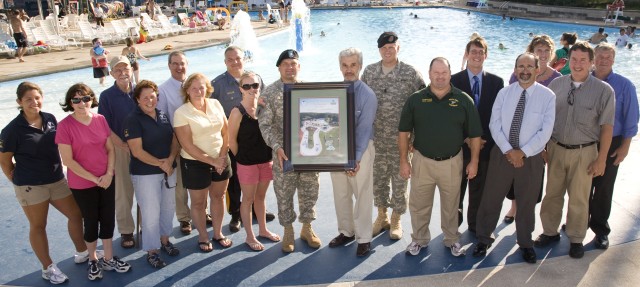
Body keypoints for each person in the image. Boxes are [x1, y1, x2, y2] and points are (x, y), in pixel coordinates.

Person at [0, 82, 88, 284]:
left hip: (56, 180)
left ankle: (82, 251)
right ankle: (47, 268)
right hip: (30, 186)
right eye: (28, 99)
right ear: (19, 102)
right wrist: (16, 180)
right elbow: (4, 161)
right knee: (39, 225)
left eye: (37, 97)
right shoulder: (12, 130)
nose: (34, 102)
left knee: (75, 214)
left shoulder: (50, 118)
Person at [473, 53, 556, 264]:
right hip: (503, 154)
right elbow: (495, 124)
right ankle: (483, 238)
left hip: (531, 158)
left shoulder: (548, 96)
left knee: (527, 203)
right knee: (491, 198)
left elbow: (545, 132)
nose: (525, 70)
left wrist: (523, 152)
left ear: (538, 69)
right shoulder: (504, 93)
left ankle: (525, 243)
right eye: (521, 66)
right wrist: (509, 150)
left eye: (529, 66)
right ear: (515, 68)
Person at [536, 41, 615, 259]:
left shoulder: (604, 91)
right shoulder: (556, 85)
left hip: (585, 151)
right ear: (568, 61)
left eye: (583, 60)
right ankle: (549, 232)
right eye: (574, 59)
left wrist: (602, 159)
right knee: (552, 194)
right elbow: (546, 119)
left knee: (579, 197)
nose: (578, 64)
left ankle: (576, 237)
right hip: (556, 148)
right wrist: (544, 146)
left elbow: (607, 128)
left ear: (591, 63)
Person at [398, 57, 482, 257]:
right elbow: (403, 133)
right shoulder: (416, 99)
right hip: (422, 161)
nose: (440, 76)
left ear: (450, 74)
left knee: (452, 204)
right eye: (436, 72)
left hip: (452, 162)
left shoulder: (463, 100)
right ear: (429, 74)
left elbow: (475, 134)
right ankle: (419, 239)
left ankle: (452, 239)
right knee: (419, 205)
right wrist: (403, 161)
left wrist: (474, 161)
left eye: (444, 72)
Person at [56, 83, 131, 280]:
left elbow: (110, 149)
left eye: (86, 98)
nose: (82, 103)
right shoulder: (64, 126)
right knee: (90, 222)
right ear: (70, 103)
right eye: (76, 99)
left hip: (106, 179)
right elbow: (68, 160)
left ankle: (107, 257)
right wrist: (94, 179)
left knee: (107, 218)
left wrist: (108, 174)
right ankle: (93, 259)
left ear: (92, 100)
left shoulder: (100, 120)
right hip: (83, 184)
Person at [361, 31, 425, 240]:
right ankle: (382, 216)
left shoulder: (410, 73)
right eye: (383, 48)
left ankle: (396, 219)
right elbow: (358, 102)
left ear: (398, 47)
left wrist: (418, 138)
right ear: (379, 49)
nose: (388, 51)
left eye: (391, 47)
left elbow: (423, 105)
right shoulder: (369, 72)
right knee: (378, 181)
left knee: (400, 181)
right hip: (376, 140)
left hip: (402, 141)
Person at [258, 49, 322, 253]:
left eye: (293, 63)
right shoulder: (269, 92)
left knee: (310, 191)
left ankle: (307, 228)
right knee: (284, 194)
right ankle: (288, 231)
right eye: (285, 64)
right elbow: (265, 125)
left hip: (309, 154)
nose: (289, 67)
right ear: (279, 67)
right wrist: (276, 147)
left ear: (299, 67)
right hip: (283, 155)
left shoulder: (310, 91)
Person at [210, 46, 272, 233]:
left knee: (255, 188)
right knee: (235, 184)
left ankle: (257, 211)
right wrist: (238, 154)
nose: (235, 62)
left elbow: (265, 100)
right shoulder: (218, 84)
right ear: (225, 62)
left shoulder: (257, 78)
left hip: (258, 147)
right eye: (231, 59)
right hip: (235, 142)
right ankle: (236, 214)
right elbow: (211, 110)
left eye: (238, 58)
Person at [504, 34, 562, 223]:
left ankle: (526, 211)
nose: (543, 54)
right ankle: (513, 207)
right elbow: (509, 106)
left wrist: (545, 147)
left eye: (546, 51)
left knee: (534, 179)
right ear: (532, 53)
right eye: (539, 50)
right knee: (514, 173)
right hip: (517, 135)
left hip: (541, 140)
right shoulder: (517, 75)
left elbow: (554, 116)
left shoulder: (557, 78)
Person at [123, 80, 180, 268]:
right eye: (145, 97)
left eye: (153, 96)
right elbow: (137, 151)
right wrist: (161, 164)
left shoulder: (162, 115)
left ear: (157, 96)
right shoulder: (133, 119)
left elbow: (174, 139)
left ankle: (164, 241)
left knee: (167, 208)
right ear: (137, 100)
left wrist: (171, 159)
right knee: (150, 213)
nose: (150, 100)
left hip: (168, 170)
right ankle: (152, 251)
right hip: (145, 174)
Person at [174, 73, 233, 252]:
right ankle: (203, 236)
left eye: (201, 87)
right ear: (187, 91)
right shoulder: (181, 113)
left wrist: (221, 157)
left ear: (207, 88)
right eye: (194, 88)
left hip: (221, 159)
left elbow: (225, 132)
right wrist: (213, 161)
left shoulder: (215, 104)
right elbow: (187, 145)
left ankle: (217, 233)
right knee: (198, 203)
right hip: (195, 163)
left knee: (219, 197)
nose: (198, 91)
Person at [450, 36, 504, 232]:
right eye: (473, 51)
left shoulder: (497, 82)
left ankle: (475, 225)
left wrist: (482, 139)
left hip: (486, 146)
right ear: (467, 54)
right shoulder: (454, 80)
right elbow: (451, 115)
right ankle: (453, 225)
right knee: (457, 189)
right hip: (460, 146)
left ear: (486, 55)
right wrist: (467, 138)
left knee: (479, 190)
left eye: (481, 52)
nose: (477, 55)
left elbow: (497, 115)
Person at [328, 48, 378, 257]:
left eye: (353, 65)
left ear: (360, 66)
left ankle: (364, 238)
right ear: (340, 67)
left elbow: (364, 129)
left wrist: (354, 159)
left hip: (362, 150)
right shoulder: (331, 92)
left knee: (362, 194)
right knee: (341, 193)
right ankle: (346, 231)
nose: (349, 70)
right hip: (336, 150)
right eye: (345, 65)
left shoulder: (367, 95)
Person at [589, 43, 639, 249]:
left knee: (604, 187)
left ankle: (600, 229)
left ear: (614, 60)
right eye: (599, 56)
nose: (603, 60)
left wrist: (625, 146)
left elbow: (631, 119)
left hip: (613, 142)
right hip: (585, 141)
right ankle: (577, 222)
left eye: (607, 57)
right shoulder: (583, 80)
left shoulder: (625, 85)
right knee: (580, 186)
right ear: (593, 58)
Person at [158, 51, 212, 235]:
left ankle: (203, 212)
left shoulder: (194, 85)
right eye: (175, 63)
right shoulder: (163, 90)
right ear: (169, 66)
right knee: (180, 184)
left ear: (187, 64)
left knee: (201, 181)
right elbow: (163, 119)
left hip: (199, 141)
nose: (179, 67)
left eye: (182, 63)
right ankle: (184, 218)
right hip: (178, 142)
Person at [228, 71, 280, 251]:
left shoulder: (264, 108)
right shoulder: (237, 112)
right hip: (247, 164)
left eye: (255, 85)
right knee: (248, 199)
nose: (251, 89)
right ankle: (250, 236)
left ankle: (263, 230)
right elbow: (231, 141)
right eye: (247, 86)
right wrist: (242, 159)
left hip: (266, 161)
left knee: (260, 197)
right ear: (240, 89)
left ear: (260, 86)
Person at [98, 56, 137, 249]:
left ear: (131, 69)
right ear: (111, 73)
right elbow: (105, 127)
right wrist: (122, 145)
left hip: (144, 148)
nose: (122, 73)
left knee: (148, 189)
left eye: (126, 68)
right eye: (118, 70)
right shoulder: (106, 96)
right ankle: (126, 230)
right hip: (120, 149)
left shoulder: (141, 91)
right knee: (123, 191)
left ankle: (147, 227)